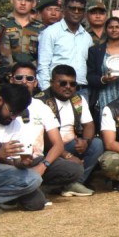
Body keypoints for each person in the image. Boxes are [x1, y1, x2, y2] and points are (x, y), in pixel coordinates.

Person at [9, 63, 84, 198]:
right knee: (35, 204)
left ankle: (37, 187)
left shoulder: (41, 106)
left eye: (29, 78)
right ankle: (24, 191)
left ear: (35, 82)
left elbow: (58, 144)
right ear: (11, 79)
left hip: (36, 160)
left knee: (75, 169)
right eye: (19, 77)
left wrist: (43, 166)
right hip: (7, 161)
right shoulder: (1, 104)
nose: (24, 82)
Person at [34, 65, 104, 194]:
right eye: (63, 83)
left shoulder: (78, 99)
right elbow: (42, 137)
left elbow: (89, 125)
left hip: (72, 144)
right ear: (51, 83)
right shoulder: (40, 102)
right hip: (49, 148)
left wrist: (85, 141)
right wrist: (66, 155)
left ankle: (75, 184)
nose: (68, 87)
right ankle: (58, 185)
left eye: (72, 84)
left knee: (97, 143)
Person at [0, 83, 48, 212]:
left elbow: (10, 161)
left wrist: (21, 163)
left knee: (34, 181)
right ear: (0, 100)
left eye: (17, 114)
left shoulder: (15, 124)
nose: (13, 117)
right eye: (11, 112)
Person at [36, 0, 93, 94]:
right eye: (72, 8)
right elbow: (43, 65)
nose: (76, 12)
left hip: (81, 91)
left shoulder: (87, 37)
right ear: (64, 10)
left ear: (84, 13)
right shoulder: (50, 32)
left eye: (80, 9)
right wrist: (46, 91)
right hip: (57, 90)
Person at [0, 0, 44, 86]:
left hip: (30, 82)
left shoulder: (41, 28)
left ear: (34, 3)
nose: (23, 3)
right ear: (12, 0)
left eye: (27, 0)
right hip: (3, 81)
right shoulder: (0, 24)